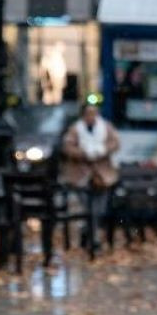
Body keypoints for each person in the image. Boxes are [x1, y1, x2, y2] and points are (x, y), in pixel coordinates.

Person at [60, 103, 121, 244]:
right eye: (88, 113)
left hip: (103, 174)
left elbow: (115, 143)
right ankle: (94, 238)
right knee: (89, 207)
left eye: (94, 113)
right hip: (81, 174)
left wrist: (102, 150)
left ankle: (87, 231)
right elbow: (67, 147)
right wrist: (83, 153)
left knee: (100, 208)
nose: (91, 116)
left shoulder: (106, 127)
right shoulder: (75, 129)